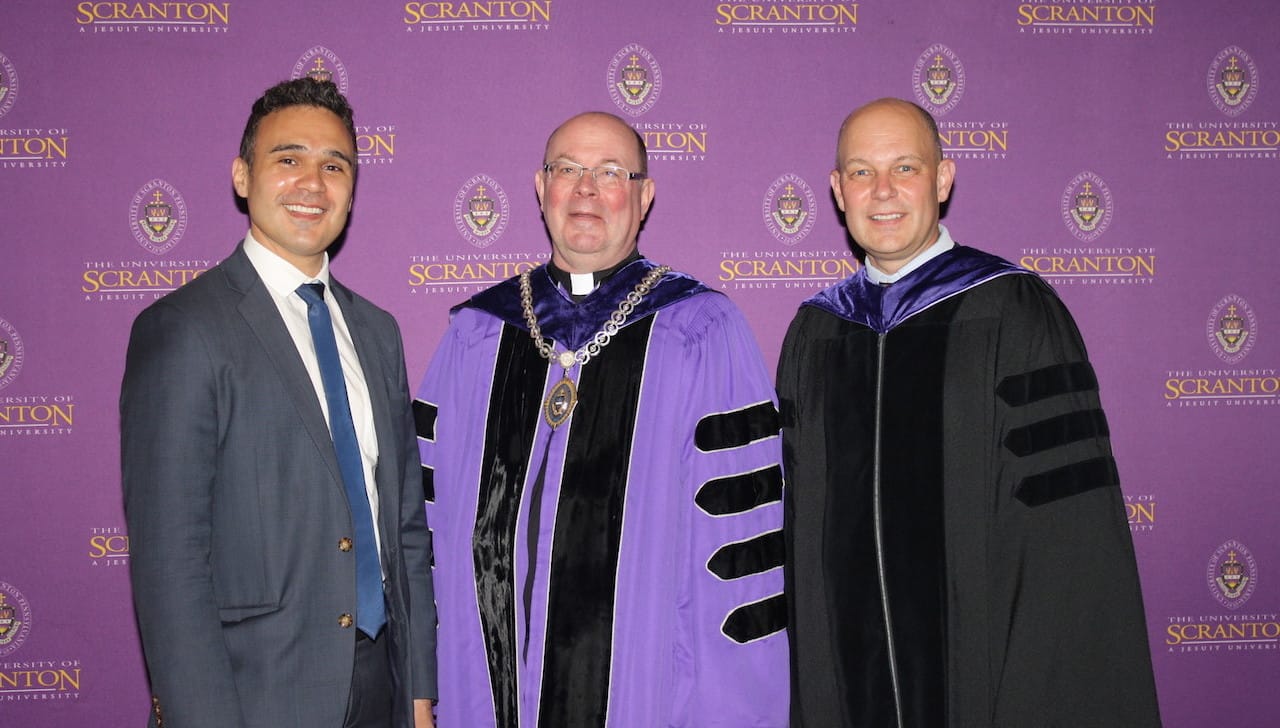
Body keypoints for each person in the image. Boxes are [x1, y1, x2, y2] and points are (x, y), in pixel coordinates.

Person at [778, 98, 1161, 727]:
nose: (882, 191)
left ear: (943, 178)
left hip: (979, 675)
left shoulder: (1012, 311)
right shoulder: (816, 332)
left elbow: (1068, 533)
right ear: (837, 191)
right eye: (860, 172)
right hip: (847, 680)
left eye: (905, 167)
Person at [414, 111, 788, 727]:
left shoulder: (701, 332)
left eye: (611, 172)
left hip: (647, 698)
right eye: (568, 169)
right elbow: (426, 530)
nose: (586, 188)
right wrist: (425, 685)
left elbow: (739, 561)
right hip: (485, 693)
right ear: (541, 189)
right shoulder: (476, 335)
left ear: (644, 197)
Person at [121, 78, 436, 728]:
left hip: (381, 688)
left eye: (334, 165)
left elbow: (404, 528)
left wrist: (419, 694)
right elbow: (170, 561)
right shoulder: (184, 329)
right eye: (287, 159)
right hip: (255, 698)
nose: (312, 184)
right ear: (243, 176)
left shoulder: (378, 333)